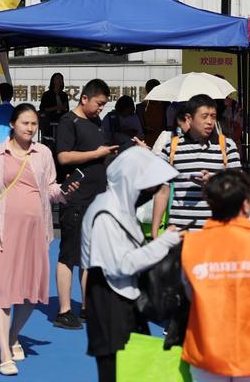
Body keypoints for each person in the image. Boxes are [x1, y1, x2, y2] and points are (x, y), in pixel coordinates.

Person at [0, 104, 70, 376]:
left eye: (34, 124)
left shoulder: (43, 153)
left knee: (30, 293)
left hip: (35, 233)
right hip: (1, 231)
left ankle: (12, 334)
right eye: (25, 123)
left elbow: (50, 188)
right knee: (0, 292)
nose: (30, 128)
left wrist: (66, 191)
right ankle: (4, 355)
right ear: (12, 124)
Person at [80, 147, 184, 382]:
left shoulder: (121, 209)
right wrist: (164, 242)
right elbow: (122, 265)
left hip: (126, 300)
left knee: (136, 369)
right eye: (145, 186)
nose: (150, 192)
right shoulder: (105, 214)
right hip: (109, 301)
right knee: (115, 372)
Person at [181, 170, 250, 382]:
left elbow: (189, 293)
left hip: (207, 349)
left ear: (210, 204)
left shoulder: (192, 244)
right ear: (246, 205)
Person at [54, 78, 117, 330]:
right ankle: (64, 310)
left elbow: (100, 155)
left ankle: (86, 306)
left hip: (96, 197)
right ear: (84, 98)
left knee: (90, 254)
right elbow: (63, 156)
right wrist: (96, 154)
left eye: (103, 105)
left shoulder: (96, 123)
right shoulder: (68, 122)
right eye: (98, 103)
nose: (101, 108)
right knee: (69, 254)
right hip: (76, 198)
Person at [151, 94, 242, 235]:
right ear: (189, 118)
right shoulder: (172, 147)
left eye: (213, 116)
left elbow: (239, 188)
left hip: (217, 233)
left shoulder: (227, 146)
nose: (209, 122)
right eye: (204, 116)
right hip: (180, 234)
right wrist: (155, 232)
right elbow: (162, 191)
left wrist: (213, 184)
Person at [39, 72, 70, 141]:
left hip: (61, 119)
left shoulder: (64, 95)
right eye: (57, 78)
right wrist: (56, 108)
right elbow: (42, 108)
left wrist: (63, 108)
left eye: (61, 79)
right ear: (53, 81)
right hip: (49, 119)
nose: (60, 80)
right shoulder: (47, 94)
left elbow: (67, 109)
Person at [137, 79, 167, 144]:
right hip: (146, 142)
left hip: (162, 142)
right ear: (147, 90)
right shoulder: (141, 107)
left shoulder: (166, 105)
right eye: (150, 90)